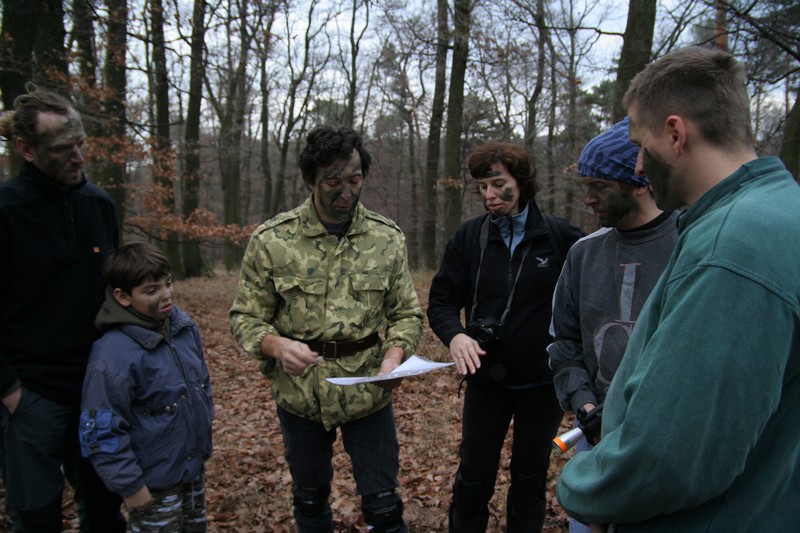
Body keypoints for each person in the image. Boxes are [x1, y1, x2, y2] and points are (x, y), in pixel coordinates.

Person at [556, 46, 800, 531]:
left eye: (640, 144)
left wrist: (586, 488)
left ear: (674, 133)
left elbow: (670, 453)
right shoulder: (779, 207)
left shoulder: (733, 245)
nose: (638, 167)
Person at [229, 125, 423, 532]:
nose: (346, 192)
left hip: (368, 393)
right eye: (333, 181)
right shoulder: (272, 240)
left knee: (384, 507)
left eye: (354, 179)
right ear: (310, 181)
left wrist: (394, 358)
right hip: (301, 395)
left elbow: (406, 313)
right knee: (310, 499)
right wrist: (277, 346)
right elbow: (245, 316)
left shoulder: (386, 238)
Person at [427, 142, 584, 532]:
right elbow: (441, 302)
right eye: (483, 187)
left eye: (498, 184)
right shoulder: (469, 237)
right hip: (486, 383)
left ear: (522, 182)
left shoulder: (561, 237)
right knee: (473, 478)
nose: (489, 195)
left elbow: (587, 306)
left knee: (530, 478)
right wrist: (456, 336)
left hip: (542, 385)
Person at [0, 87, 126, 531]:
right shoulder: (7, 211)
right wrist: (9, 389)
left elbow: (117, 293)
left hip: (97, 391)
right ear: (26, 149)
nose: (78, 158)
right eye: (62, 149)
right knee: (35, 516)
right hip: (31, 396)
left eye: (81, 144)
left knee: (105, 510)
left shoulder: (99, 205)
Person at [547, 118, 678, 533]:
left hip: (668, 440)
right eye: (585, 186)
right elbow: (564, 342)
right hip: (595, 435)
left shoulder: (690, 243)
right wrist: (585, 404)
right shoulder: (583, 254)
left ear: (638, 182)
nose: (587, 198)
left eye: (598, 187)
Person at [80, 242, 214, 532]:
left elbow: (201, 385)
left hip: (191, 472)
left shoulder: (184, 328)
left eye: (168, 283)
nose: (166, 294)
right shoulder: (112, 356)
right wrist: (130, 486)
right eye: (152, 290)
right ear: (123, 296)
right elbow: (98, 430)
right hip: (151, 484)